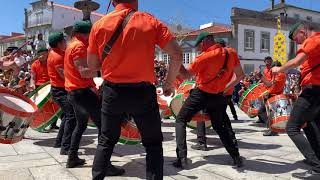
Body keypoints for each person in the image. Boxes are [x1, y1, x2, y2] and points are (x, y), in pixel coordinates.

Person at [87, 0, 182, 179]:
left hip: (112, 91)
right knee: (153, 143)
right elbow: (176, 54)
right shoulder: (150, 21)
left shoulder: (99, 25)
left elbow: (92, 65)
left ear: (113, 1)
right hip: (142, 92)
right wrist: (168, 83)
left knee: (106, 141)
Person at [173, 32, 244, 169]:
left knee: (181, 119)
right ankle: (236, 157)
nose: (199, 49)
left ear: (204, 42)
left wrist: (176, 60)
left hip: (201, 94)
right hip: (218, 96)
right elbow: (240, 75)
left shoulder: (205, 57)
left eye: (199, 46)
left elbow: (185, 75)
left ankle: (182, 158)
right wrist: (224, 88)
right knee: (219, 126)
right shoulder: (231, 53)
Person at [272, 22, 320, 179]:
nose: (295, 41)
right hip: (317, 90)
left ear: (303, 31)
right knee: (311, 125)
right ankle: (316, 159)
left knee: (292, 127)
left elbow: (296, 61)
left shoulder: (313, 40)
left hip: (313, 90)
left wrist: (278, 69)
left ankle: (317, 165)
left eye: (295, 37)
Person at [63, 21, 107, 170]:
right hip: (81, 92)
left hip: (74, 93)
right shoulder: (79, 46)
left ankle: (72, 158)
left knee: (80, 125)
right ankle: (104, 164)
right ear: (83, 34)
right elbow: (84, 71)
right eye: (91, 34)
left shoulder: (72, 45)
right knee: (104, 126)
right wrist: (105, 70)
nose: (92, 37)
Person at [191, 38, 241, 151]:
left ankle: (201, 142)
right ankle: (232, 140)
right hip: (225, 93)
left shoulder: (214, 57)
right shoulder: (231, 56)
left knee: (201, 114)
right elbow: (237, 75)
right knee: (223, 116)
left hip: (213, 92)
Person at [47, 32, 77, 155]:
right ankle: (65, 147)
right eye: (64, 41)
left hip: (60, 89)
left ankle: (59, 142)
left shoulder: (59, 52)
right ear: (59, 43)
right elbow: (64, 75)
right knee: (71, 116)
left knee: (67, 116)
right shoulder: (57, 56)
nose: (66, 42)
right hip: (60, 91)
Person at [259, 61, 286, 136]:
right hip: (273, 95)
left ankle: (273, 128)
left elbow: (275, 87)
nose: (271, 70)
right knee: (269, 114)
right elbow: (270, 84)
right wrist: (261, 76)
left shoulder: (280, 74)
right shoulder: (277, 74)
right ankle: (272, 128)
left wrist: (267, 92)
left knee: (264, 112)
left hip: (275, 96)